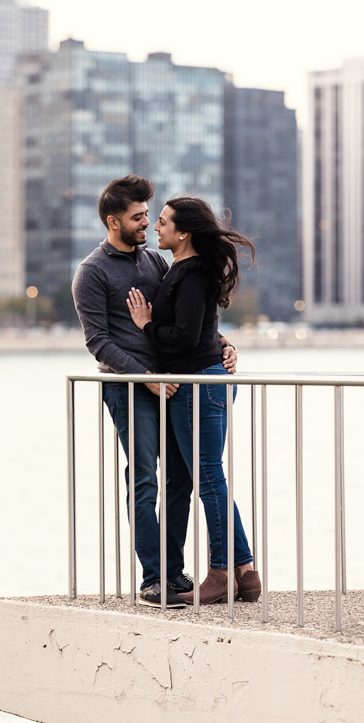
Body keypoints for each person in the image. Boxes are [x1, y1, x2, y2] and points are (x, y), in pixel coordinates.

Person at [72, 176, 238, 608]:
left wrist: (222, 346)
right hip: (131, 388)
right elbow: (98, 342)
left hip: (175, 385)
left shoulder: (155, 263)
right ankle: (153, 578)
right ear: (113, 222)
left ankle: (174, 571)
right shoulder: (91, 272)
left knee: (182, 478)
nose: (147, 222)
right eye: (137, 216)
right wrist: (143, 374)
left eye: (149, 215)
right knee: (144, 478)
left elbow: (188, 317)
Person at [126, 195, 261, 606]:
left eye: (163, 222)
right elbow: (202, 331)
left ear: (183, 232)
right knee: (209, 476)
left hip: (198, 385)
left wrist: (147, 325)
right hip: (203, 381)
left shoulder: (193, 273)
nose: (156, 228)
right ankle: (245, 571)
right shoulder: (182, 270)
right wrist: (223, 343)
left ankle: (221, 573)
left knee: (207, 477)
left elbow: (185, 337)